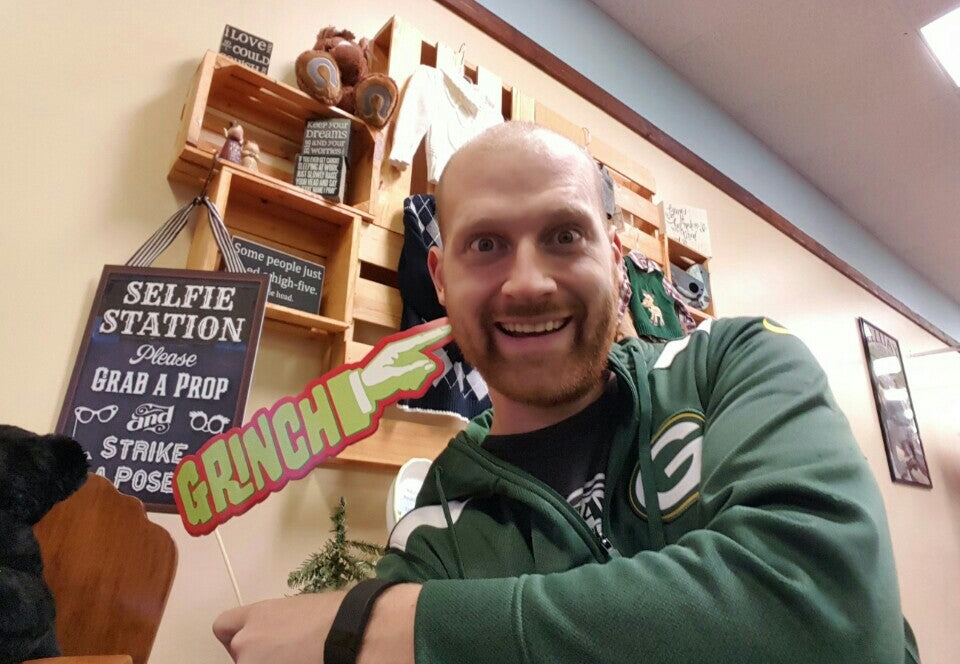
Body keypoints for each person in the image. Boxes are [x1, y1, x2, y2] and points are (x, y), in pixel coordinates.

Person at [214, 122, 916, 663]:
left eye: (563, 235)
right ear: (441, 278)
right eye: (485, 244)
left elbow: (826, 614)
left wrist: (401, 626)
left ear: (614, 258)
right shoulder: (436, 533)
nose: (527, 282)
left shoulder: (735, 364)